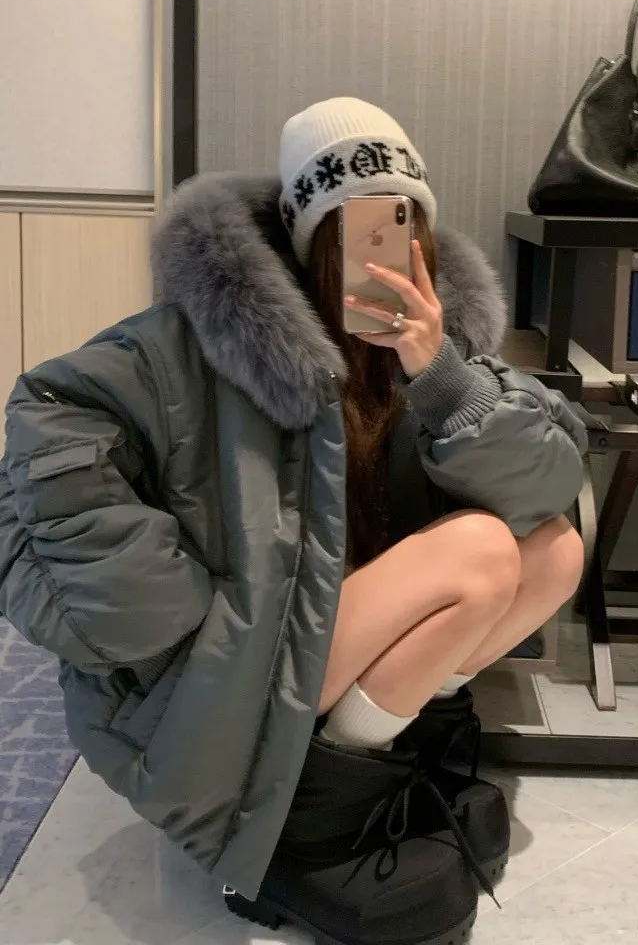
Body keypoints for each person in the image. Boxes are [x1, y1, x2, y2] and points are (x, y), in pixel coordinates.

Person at [0, 98, 586, 945]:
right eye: (353, 236)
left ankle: (373, 753)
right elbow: (48, 422)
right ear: (308, 242)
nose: (383, 258)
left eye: (403, 227)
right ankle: (315, 805)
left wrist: (440, 375)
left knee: (552, 552)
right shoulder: (196, 342)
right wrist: (173, 625)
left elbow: (550, 479)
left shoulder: (437, 342)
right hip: (236, 670)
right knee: (481, 552)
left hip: (317, 644)